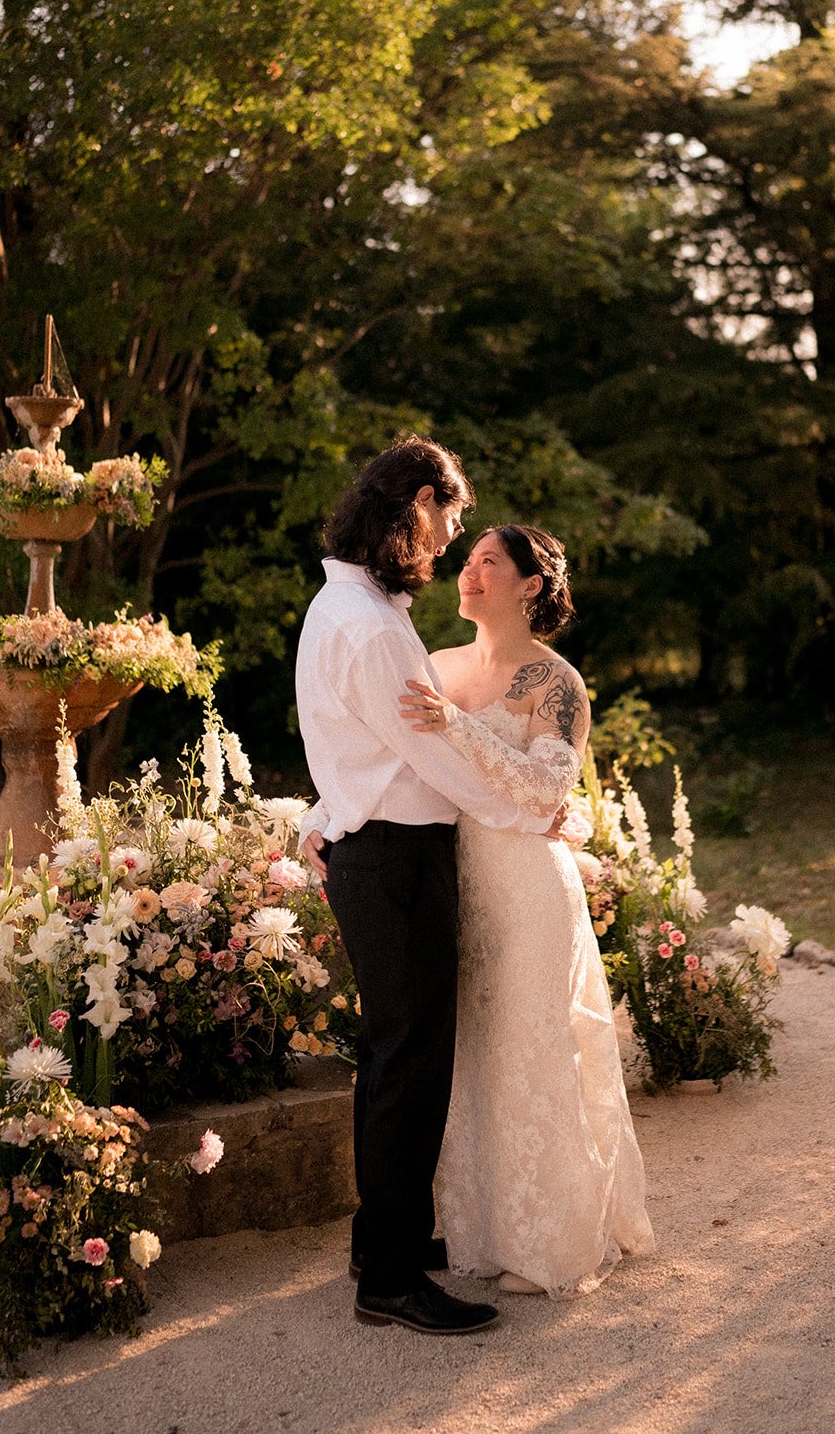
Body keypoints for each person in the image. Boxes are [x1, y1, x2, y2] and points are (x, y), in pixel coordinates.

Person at [295, 437, 560, 1336]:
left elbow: (363, 744)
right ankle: (392, 1278)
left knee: (391, 1056)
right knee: (409, 1064)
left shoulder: (348, 605)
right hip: (396, 859)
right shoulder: (370, 624)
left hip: (375, 849)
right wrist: (526, 813)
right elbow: (432, 753)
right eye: (450, 518)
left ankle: (382, 1242)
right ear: (417, 502)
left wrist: (327, 812)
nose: (450, 539)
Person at [398, 523, 655, 1295]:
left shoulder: (555, 681)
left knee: (534, 1051)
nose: (468, 572)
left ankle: (554, 1244)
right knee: (475, 1055)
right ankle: (485, 1229)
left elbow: (546, 790)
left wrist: (455, 727)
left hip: (528, 889)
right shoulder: (436, 666)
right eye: (467, 560)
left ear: (530, 585)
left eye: (489, 562)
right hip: (454, 882)